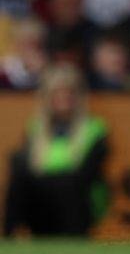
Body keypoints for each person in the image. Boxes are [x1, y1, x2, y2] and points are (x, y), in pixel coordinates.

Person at [4, 64, 110, 237]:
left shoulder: (95, 130)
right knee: (18, 175)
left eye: (69, 92)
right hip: (42, 206)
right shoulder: (35, 130)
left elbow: (87, 175)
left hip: (79, 205)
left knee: (72, 184)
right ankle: (8, 237)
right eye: (58, 93)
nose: (64, 98)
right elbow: (27, 171)